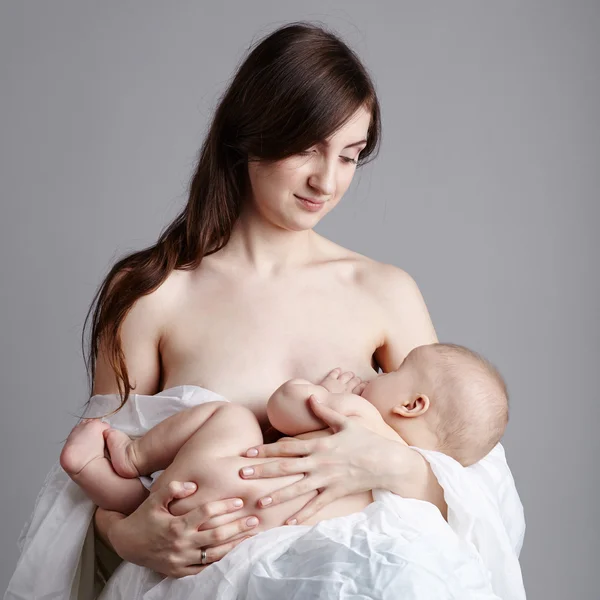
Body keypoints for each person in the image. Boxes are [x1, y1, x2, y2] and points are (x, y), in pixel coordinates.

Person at [5, 21, 525, 599]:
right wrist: (133, 539)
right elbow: (100, 478)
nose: (326, 181)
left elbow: (469, 483)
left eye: (350, 156)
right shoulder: (150, 293)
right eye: (308, 148)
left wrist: (387, 466)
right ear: (250, 136)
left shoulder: (385, 291)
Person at [60, 342, 508, 530]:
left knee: (232, 417)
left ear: (411, 405)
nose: (378, 372)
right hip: (255, 529)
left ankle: (132, 457)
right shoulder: (404, 491)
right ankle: (106, 482)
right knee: (166, 510)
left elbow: (282, 407)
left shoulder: (361, 416)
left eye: (392, 371)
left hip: (237, 475)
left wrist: (323, 395)